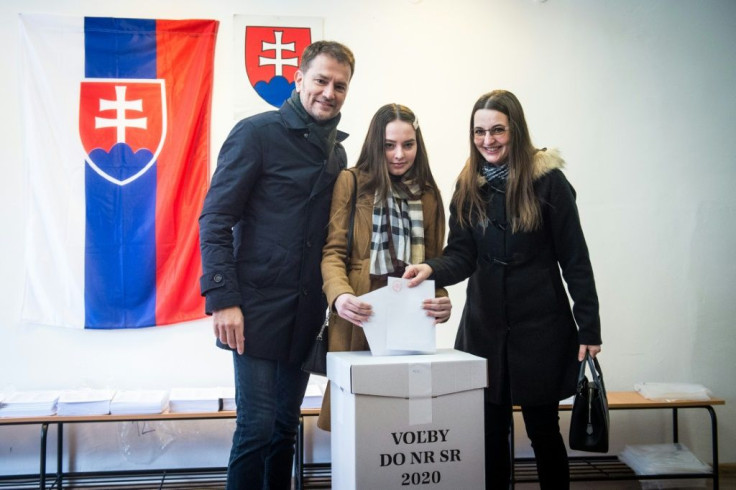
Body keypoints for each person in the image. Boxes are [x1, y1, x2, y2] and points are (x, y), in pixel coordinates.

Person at [403, 90, 602, 489]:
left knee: (543, 431)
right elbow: (461, 255)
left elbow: (575, 260)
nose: (488, 140)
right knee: (489, 433)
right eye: (480, 131)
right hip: (485, 328)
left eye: (497, 130)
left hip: (542, 327)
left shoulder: (550, 184)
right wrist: (431, 269)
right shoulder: (467, 186)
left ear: (516, 131)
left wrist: (589, 329)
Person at [198, 41, 355, 490]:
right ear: (299, 78)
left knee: (285, 431)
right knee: (256, 430)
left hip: (305, 313)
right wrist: (222, 299)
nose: (329, 92)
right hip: (254, 311)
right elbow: (215, 218)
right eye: (321, 80)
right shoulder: (256, 133)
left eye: (339, 86)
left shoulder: (337, 155)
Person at [317, 103, 452, 431]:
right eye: (389, 145)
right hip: (359, 312)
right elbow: (333, 251)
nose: (399, 154)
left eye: (408, 144)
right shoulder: (351, 182)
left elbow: (435, 264)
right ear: (376, 145)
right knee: (356, 421)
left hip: (409, 317)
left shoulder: (430, 195)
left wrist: (442, 299)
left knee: (403, 424)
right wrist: (339, 296)